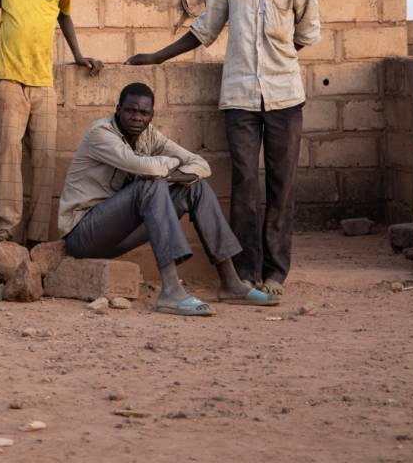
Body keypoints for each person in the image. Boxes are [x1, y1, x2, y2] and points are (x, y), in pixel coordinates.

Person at [128, 0, 320, 296]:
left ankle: (275, 273)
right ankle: (246, 272)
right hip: (239, 98)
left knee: (282, 186)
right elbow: (205, 29)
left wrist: (275, 60)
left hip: (285, 96)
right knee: (246, 185)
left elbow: (306, 35)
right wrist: (155, 57)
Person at [59, 83, 277, 315]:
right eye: (130, 111)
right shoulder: (100, 134)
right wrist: (173, 165)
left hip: (119, 235)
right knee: (151, 184)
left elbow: (200, 164)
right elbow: (143, 166)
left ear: (151, 116)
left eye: (143, 113)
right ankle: (171, 291)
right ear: (118, 109)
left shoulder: (149, 135)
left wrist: (173, 171)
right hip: (84, 235)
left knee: (196, 187)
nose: (136, 118)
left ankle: (231, 283)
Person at [0, 0, 102, 244]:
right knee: (9, 150)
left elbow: (64, 17)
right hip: (7, 79)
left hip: (43, 82)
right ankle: (7, 225)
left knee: (46, 156)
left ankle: (36, 236)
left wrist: (78, 55)